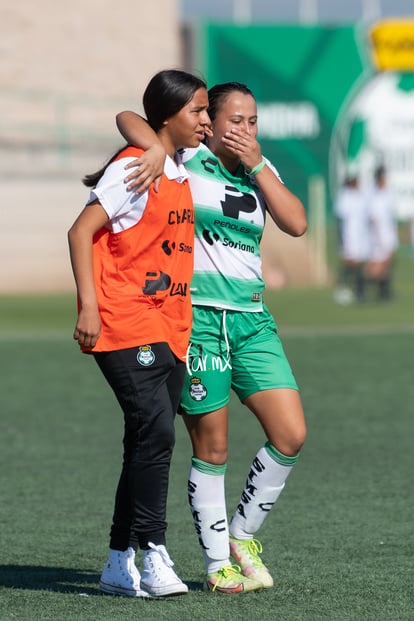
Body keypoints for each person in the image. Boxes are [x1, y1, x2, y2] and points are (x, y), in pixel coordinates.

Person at [116, 81, 307, 594]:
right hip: (198, 321)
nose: (245, 130)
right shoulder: (187, 158)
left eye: (253, 122)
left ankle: (243, 537)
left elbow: (297, 222)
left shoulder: (258, 172)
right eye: (235, 120)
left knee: (290, 434)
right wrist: (157, 148)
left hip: (252, 321)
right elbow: (127, 119)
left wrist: (261, 165)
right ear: (210, 121)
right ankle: (218, 562)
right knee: (213, 446)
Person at [67, 69, 210, 598]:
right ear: (171, 116)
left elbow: (132, 116)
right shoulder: (136, 165)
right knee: (158, 431)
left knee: (145, 439)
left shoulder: (175, 161)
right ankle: (154, 552)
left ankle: (116, 561)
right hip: (124, 320)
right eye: (196, 111)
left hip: (170, 326)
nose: (204, 120)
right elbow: (80, 231)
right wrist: (88, 305)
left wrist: (153, 141)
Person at [333, 172, 370, 305]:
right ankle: (342, 287)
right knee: (350, 263)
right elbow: (340, 220)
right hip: (349, 236)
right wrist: (341, 240)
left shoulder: (361, 196)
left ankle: (360, 291)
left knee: (361, 264)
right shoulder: (344, 196)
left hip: (361, 236)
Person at [365, 165, 398, 301]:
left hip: (388, 233)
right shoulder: (374, 196)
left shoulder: (388, 193)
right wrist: (378, 237)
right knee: (377, 264)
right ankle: (360, 286)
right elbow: (374, 219)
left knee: (387, 262)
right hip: (379, 235)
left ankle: (384, 291)